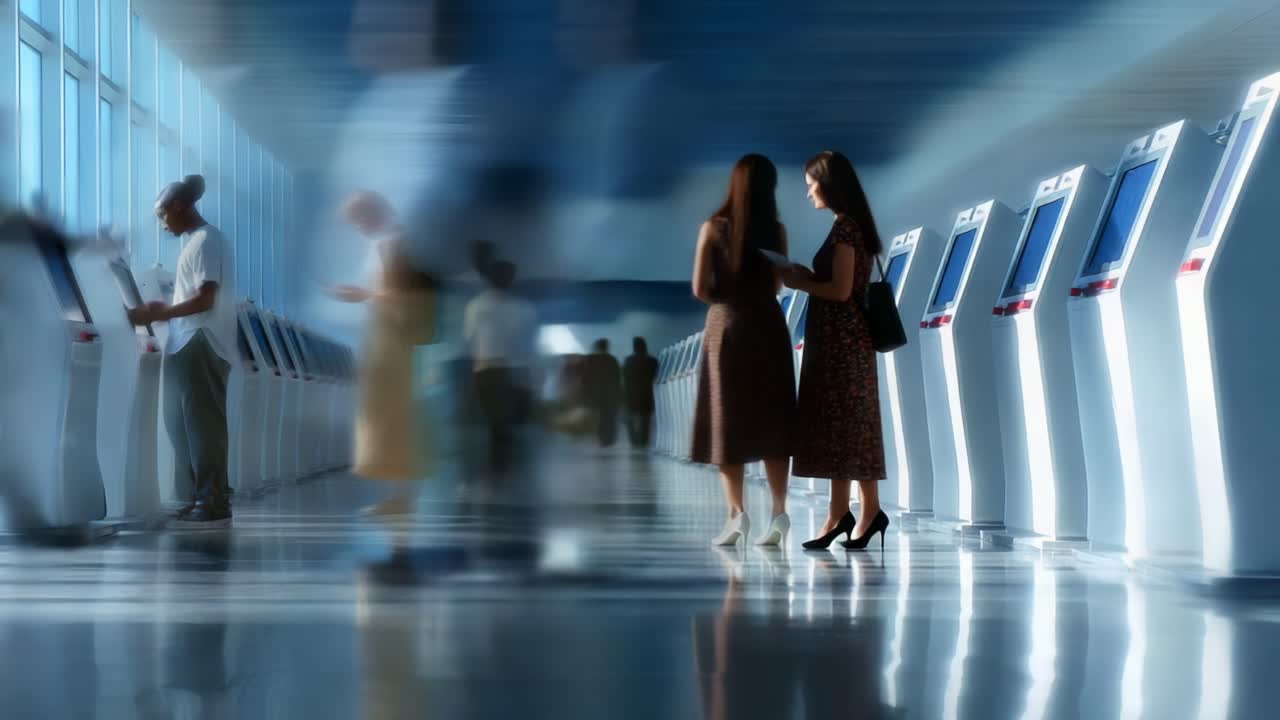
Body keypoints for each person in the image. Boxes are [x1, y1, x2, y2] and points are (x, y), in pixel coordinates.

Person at [782, 151, 889, 550]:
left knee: (849, 427)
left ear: (829, 184)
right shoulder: (849, 226)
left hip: (844, 344)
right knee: (845, 428)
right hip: (842, 342)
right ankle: (845, 511)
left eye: (811, 183)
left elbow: (841, 291)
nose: (808, 192)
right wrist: (809, 276)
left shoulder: (845, 229)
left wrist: (800, 284)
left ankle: (860, 512)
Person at [690, 154, 796, 548]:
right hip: (768, 325)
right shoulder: (777, 231)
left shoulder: (713, 228)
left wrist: (728, 297)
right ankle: (779, 512)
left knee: (726, 419)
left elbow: (700, 288)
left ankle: (736, 514)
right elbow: (779, 284)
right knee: (773, 418)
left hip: (727, 327)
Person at [126, 175, 236, 527]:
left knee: (204, 428)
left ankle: (212, 500)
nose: (162, 224)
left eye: (162, 215)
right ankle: (198, 497)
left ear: (179, 207)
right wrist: (169, 307)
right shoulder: (194, 241)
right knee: (185, 427)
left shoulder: (206, 240)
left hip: (199, 340)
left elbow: (206, 298)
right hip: (186, 340)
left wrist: (160, 313)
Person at [330, 191, 436, 517]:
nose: (357, 227)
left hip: (391, 337)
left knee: (391, 414)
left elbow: (393, 296)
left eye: (357, 220)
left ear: (369, 213)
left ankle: (401, 497)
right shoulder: (394, 241)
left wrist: (358, 294)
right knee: (392, 414)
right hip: (388, 335)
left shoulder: (390, 243)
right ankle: (398, 495)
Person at [463, 260, 538, 487]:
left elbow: (469, 338)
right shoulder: (523, 308)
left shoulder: (475, 306)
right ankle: (501, 469)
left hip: (485, 369)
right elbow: (527, 344)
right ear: (511, 279)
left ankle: (494, 470)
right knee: (502, 424)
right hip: (512, 370)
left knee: (491, 422)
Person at [584, 339, 622, 447]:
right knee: (609, 417)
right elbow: (617, 378)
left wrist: (586, 392)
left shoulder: (590, 359)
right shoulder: (612, 360)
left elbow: (586, 378)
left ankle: (600, 438)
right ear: (607, 347)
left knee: (597, 417)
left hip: (595, 394)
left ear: (597, 347)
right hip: (609, 394)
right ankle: (609, 439)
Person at [623, 337, 659, 447]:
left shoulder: (629, 360)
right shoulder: (653, 360)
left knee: (630, 418)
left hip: (631, 392)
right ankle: (644, 440)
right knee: (645, 419)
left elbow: (625, 376)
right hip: (646, 392)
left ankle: (633, 440)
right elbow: (655, 376)